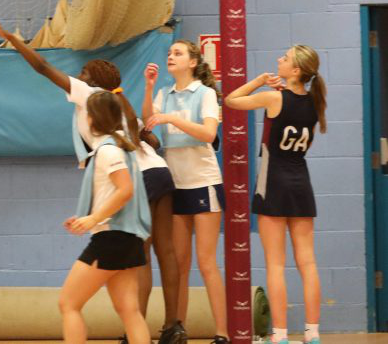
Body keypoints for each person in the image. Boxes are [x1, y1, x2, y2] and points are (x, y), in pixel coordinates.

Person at [0, 13, 183, 344]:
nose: (78, 76)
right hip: (158, 170)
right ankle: (173, 325)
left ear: (94, 87)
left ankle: (149, 329)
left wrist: (12, 38)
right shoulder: (120, 107)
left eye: (83, 73)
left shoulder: (92, 99)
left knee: (74, 301)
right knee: (157, 263)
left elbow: (42, 67)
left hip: (130, 193)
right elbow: (153, 141)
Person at [224, 45, 326, 344]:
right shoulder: (315, 102)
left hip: (274, 183)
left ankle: (279, 335)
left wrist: (258, 81)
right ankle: (312, 333)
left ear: (295, 70)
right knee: (308, 263)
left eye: (285, 57)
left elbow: (231, 100)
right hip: (301, 183)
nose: (279, 59)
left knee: (276, 264)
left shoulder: (274, 97)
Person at [142, 39, 229, 344]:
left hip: (203, 182)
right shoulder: (164, 93)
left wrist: (173, 118)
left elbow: (208, 133)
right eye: (169, 53)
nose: (171, 56)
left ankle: (222, 333)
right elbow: (148, 124)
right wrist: (149, 88)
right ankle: (177, 329)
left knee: (206, 263)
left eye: (177, 53)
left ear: (193, 62)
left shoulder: (205, 94)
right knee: (179, 264)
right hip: (175, 186)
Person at [60, 90, 151, 344]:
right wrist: (86, 216)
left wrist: (93, 219)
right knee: (129, 311)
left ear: (91, 118)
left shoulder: (109, 151)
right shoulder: (122, 147)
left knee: (68, 304)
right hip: (128, 238)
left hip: (112, 239)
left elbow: (125, 190)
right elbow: (115, 193)